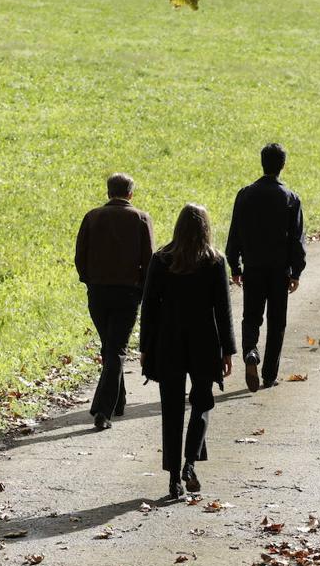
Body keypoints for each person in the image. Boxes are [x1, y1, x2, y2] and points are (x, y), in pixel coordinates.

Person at [140, 204, 236, 500]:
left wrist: (145, 348)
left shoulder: (162, 259)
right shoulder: (214, 261)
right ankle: (190, 464)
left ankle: (172, 479)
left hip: (168, 342)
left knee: (171, 410)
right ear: (206, 228)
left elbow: (149, 307)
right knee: (202, 403)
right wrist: (228, 350)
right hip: (204, 342)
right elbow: (223, 309)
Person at [75, 173, 155, 430]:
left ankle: (117, 402)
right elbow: (149, 258)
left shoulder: (92, 217)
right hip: (127, 292)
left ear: (109, 192)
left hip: (97, 292)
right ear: (131, 194)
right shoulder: (141, 218)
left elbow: (80, 255)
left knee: (109, 346)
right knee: (116, 349)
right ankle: (104, 411)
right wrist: (143, 288)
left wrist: (89, 280)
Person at [225, 143, 306, 392]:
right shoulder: (290, 198)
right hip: (279, 270)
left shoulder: (246, 194)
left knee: (251, 316)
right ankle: (269, 373)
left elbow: (234, 233)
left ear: (262, 162)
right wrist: (296, 271)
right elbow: (297, 239)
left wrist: (235, 266)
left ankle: (250, 350)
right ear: (282, 165)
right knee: (276, 321)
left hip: (253, 267)